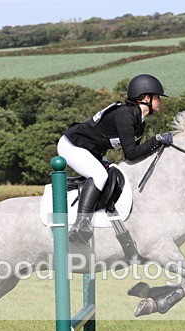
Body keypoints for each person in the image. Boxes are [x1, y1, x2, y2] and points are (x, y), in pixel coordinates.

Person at [57, 74, 174, 243]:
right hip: (72, 145)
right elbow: (131, 154)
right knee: (99, 175)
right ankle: (80, 223)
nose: (160, 101)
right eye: (157, 97)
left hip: (91, 150)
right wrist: (156, 140)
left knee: (113, 171)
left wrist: (158, 145)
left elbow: (136, 155)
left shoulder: (139, 120)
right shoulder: (125, 116)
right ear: (145, 97)